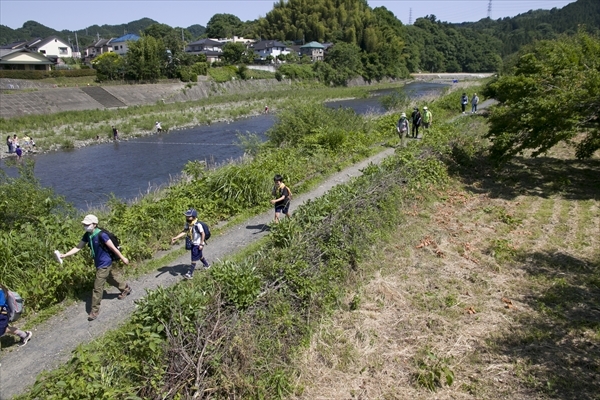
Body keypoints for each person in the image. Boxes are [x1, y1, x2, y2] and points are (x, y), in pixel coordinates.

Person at [58, 214, 131, 321]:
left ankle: (94, 311)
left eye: (87, 224)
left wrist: (123, 258)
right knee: (109, 278)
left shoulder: (102, 235)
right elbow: (78, 247)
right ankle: (125, 288)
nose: (85, 226)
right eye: (84, 224)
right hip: (98, 263)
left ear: (95, 224)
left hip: (105, 263)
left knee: (97, 288)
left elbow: (113, 248)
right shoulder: (88, 235)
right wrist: (65, 255)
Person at [171, 209, 210, 279]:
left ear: (194, 217)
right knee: (199, 255)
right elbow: (184, 231)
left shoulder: (198, 224)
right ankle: (207, 265)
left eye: (189, 217)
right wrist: (176, 237)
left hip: (198, 244)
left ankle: (190, 273)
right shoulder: (188, 224)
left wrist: (201, 244)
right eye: (186, 216)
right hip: (193, 243)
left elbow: (203, 233)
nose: (187, 218)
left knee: (193, 259)